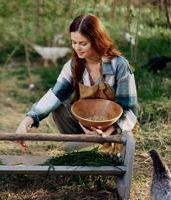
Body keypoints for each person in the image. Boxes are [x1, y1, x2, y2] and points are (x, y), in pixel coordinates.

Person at [15, 13, 138, 154]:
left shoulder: (119, 66)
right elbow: (54, 95)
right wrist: (26, 122)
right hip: (85, 128)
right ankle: (81, 145)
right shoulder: (74, 65)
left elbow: (130, 110)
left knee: (74, 149)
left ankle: (97, 149)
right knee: (59, 104)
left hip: (114, 131)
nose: (77, 48)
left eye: (83, 43)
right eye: (74, 42)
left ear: (97, 40)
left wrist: (106, 134)